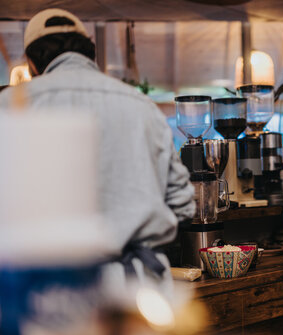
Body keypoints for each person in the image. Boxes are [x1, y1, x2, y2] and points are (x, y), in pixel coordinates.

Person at [0, 9, 195, 295]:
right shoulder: (141, 106)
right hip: (137, 289)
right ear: (89, 53)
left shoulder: (11, 106)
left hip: (46, 291)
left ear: (30, 62)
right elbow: (183, 204)